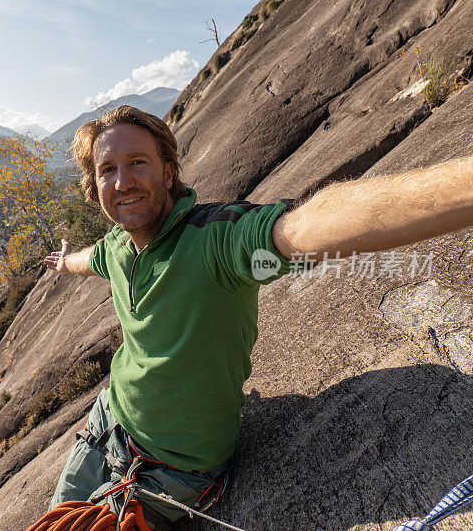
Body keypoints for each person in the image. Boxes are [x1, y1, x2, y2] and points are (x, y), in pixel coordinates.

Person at [42, 105, 473, 527]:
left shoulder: (215, 243)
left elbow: (300, 231)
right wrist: (65, 261)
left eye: (138, 162)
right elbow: (90, 259)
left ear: (168, 173)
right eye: (106, 170)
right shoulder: (117, 247)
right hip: (108, 423)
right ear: (94, 185)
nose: (123, 181)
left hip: (172, 472)